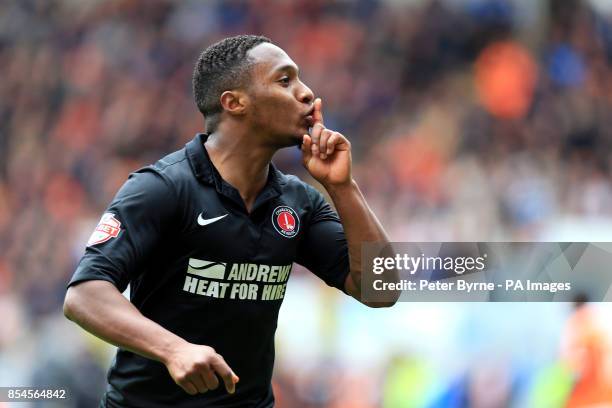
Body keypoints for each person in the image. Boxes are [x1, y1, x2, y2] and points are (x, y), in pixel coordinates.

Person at [63, 34, 396, 408]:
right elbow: (84, 295)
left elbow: (381, 289)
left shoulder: (297, 202)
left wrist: (343, 187)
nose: (306, 94)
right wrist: (174, 350)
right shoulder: (164, 188)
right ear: (234, 102)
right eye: (285, 81)